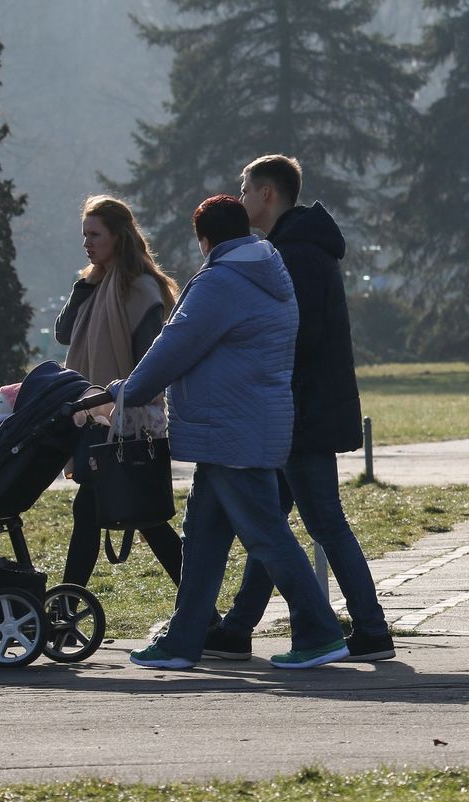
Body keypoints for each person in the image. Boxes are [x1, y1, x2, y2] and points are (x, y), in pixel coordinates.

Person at [112, 195, 349, 670]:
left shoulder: (221, 281)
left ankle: (319, 631)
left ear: (206, 239)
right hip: (245, 426)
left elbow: (177, 341)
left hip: (230, 430)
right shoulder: (270, 271)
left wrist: (130, 391)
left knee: (267, 537)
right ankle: (184, 640)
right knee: (201, 538)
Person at [202, 154, 394, 663]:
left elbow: (295, 335)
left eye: (245, 190)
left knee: (323, 521)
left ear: (268, 194)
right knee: (272, 522)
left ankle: (372, 628)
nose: (240, 199)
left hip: (301, 410)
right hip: (299, 406)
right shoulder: (296, 247)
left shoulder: (295, 253)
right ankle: (239, 626)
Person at [54, 196, 183, 589]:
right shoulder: (94, 284)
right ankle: (66, 608)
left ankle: (65, 608)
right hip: (94, 420)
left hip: (124, 423)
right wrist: (83, 285)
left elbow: (149, 357)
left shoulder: (141, 290)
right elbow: (64, 333)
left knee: (142, 519)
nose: (87, 244)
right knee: (116, 515)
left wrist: (126, 399)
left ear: (118, 237)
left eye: (95, 235)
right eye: (84, 235)